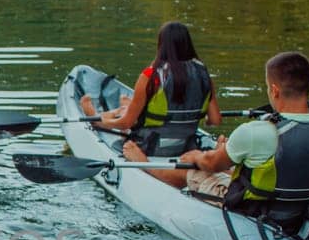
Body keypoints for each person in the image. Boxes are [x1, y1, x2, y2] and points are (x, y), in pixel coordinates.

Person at [125, 51, 309, 226]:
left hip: (251, 208)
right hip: (298, 208)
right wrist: (229, 151)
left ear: (274, 90)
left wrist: (199, 155)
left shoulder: (255, 131)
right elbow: (284, 164)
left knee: (192, 168)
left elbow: (211, 164)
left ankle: (141, 163)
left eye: (267, 88)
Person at [80, 21, 222, 157]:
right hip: (187, 148)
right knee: (133, 114)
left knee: (127, 121)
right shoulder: (203, 75)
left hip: (149, 148)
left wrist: (102, 124)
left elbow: (126, 123)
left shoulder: (151, 75)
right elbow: (215, 120)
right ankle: (122, 107)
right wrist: (198, 118)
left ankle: (99, 117)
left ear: (161, 45)